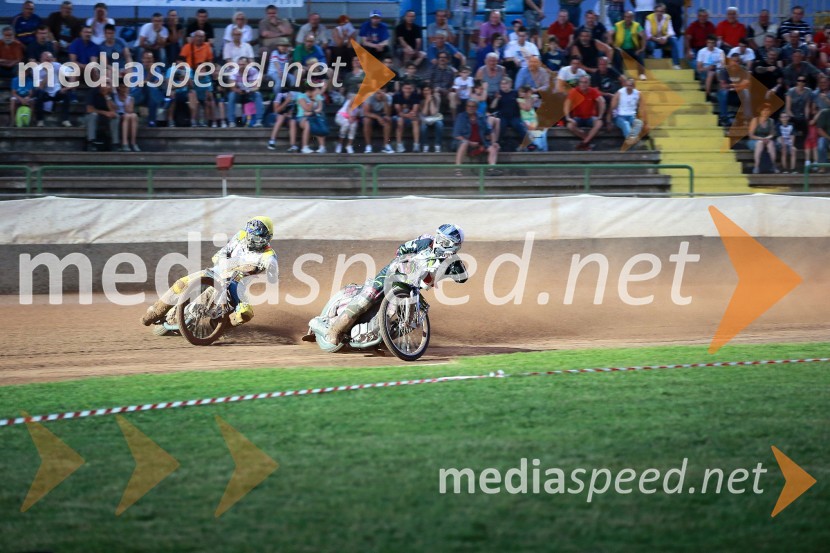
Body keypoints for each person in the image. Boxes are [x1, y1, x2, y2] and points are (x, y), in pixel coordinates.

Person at [322, 224, 467, 345]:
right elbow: (401, 250)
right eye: (441, 238)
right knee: (367, 298)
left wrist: (456, 267)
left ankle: (383, 339)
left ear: (455, 246)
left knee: (416, 316)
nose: (440, 243)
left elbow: (463, 278)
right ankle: (334, 331)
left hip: (411, 287)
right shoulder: (425, 242)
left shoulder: (452, 261)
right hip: (393, 272)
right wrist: (412, 262)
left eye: (446, 242)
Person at [141, 217, 277, 329]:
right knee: (181, 283)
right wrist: (221, 260)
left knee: (245, 313)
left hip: (235, 285)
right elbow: (224, 250)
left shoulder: (269, 256)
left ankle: (222, 326)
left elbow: (273, 276)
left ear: (266, 238)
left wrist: (266, 270)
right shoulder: (241, 235)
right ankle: (156, 311)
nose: (251, 239)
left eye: (256, 238)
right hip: (216, 272)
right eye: (250, 235)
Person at [453, 100, 500, 175]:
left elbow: (490, 131)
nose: (470, 108)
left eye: (473, 106)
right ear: (466, 107)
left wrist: (494, 142)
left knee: (494, 147)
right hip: (465, 144)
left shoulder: (481, 117)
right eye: (469, 106)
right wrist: (470, 142)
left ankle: (491, 169)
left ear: (476, 108)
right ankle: (458, 169)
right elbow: (456, 135)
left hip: (480, 143)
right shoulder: (461, 117)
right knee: (464, 143)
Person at [564, 75, 605, 150]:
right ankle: (587, 141)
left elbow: (602, 101)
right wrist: (568, 117)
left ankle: (584, 143)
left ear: (589, 83)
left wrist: (600, 115)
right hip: (578, 118)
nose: (583, 84)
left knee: (599, 123)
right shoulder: (574, 91)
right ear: (579, 83)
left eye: (585, 82)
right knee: (570, 125)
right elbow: (567, 104)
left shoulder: (593, 91)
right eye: (581, 82)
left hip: (590, 117)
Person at [33, 51, 72, 127]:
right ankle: (40, 120)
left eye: (49, 59)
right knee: (39, 93)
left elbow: (72, 73)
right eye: (46, 60)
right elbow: (40, 87)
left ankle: (65, 120)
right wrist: (48, 72)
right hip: (45, 93)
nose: (48, 62)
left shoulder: (57, 65)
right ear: (41, 60)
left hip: (56, 92)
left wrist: (67, 87)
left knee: (66, 94)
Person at [717, 53, 752, 126]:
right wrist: (736, 86)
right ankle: (723, 117)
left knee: (746, 92)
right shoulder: (724, 70)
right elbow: (723, 85)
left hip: (738, 94)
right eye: (734, 61)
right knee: (723, 92)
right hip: (728, 95)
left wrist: (734, 87)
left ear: (740, 62)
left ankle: (747, 118)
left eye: (737, 61)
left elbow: (746, 85)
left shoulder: (743, 70)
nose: (735, 63)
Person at [492, 76, 526, 150]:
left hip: (515, 116)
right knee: (500, 126)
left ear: (510, 84)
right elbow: (492, 107)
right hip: (502, 117)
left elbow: (523, 104)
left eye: (505, 83)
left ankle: (528, 144)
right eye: (502, 84)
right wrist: (497, 98)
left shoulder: (516, 93)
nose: (503, 85)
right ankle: (496, 145)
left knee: (519, 126)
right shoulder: (498, 93)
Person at [86, 80, 119, 151]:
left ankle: (115, 143)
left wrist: (106, 96)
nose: (106, 85)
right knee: (93, 115)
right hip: (95, 115)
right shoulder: (92, 92)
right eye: (104, 83)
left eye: (108, 83)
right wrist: (105, 113)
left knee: (116, 117)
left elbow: (113, 110)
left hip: (106, 117)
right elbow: (89, 109)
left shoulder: (110, 93)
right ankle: (91, 142)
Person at [612, 11, 646, 80]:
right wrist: (614, 45)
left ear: (633, 18)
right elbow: (609, 34)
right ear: (624, 17)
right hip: (621, 49)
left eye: (630, 17)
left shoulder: (636, 25)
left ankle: (641, 74)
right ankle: (620, 75)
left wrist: (642, 49)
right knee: (617, 54)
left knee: (640, 54)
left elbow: (643, 36)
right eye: (626, 17)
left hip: (633, 49)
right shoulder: (618, 25)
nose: (628, 19)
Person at [645, 3, 681, 69]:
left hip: (664, 40)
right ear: (655, 11)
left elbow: (671, 32)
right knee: (649, 44)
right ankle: (649, 54)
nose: (659, 13)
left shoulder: (667, 17)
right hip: (653, 40)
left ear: (664, 12)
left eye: (661, 11)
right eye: (658, 11)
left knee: (674, 40)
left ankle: (676, 64)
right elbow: (648, 34)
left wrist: (665, 38)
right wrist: (657, 39)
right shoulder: (649, 18)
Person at [612, 77, 645, 145]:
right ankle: (632, 142)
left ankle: (632, 140)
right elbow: (612, 106)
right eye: (628, 85)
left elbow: (641, 107)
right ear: (625, 84)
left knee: (639, 123)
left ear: (634, 86)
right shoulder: (620, 92)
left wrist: (642, 117)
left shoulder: (638, 94)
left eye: (631, 85)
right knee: (626, 124)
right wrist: (609, 118)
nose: (629, 86)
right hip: (620, 116)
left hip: (631, 116)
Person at [747, 104, 777, 174]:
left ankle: (773, 166)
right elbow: (751, 135)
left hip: (766, 140)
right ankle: (756, 167)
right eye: (763, 110)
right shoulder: (755, 120)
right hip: (754, 140)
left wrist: (767, 138)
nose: (765, 112)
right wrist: (761, 138)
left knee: (771, 143)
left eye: (767, 110)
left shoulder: (771, 121)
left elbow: (772, 134)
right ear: (760, 111)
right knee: (759, 143)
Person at [362, 88, 394, 153]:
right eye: (378, 93)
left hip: (382, 115)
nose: (380, 95)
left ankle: (386, 146)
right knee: (366, 121)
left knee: (388, 120)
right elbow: (366, 113)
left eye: (381, 93)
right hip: (371, 115)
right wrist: (377, 117)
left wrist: (385, 101)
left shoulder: (388, 97)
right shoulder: (369, 96)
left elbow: (387, 114)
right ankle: (368, 146)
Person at [394, 82, 422, 152]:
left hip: (410, 116)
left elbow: (415, 110)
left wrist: (410, 114)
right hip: (397, 116)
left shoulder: (415, 95)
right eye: (406, 88)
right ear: (402, 89)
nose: (408, 90)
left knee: (415, 121)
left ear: (412, 89)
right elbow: (398, 112)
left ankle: (416, 145)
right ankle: (399, 145)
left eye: (409, 88)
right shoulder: (397, 96)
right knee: (400, 121)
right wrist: (406, 115)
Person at [517, 85, 547, 151]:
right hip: (524, 119)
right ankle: (530, 145)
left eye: (522, 92)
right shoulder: (519, 100)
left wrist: (530, 95)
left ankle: (540, 147)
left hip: (533, 118)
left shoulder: (532, 97)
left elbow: (536, 97)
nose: (519, 93)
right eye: (519, 92)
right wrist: (528, 98)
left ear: (527, 92)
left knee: (541, 130)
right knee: (530, 129)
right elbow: (527, 108)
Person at [113, 83, 139, 151]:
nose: (124, 89)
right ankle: (125, 143)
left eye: (126, 87)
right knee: (127, 116)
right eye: (123, 87)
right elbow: (114, 108)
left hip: (127, 115)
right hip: (118, 115)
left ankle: (133, 143)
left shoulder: (130, 98)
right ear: (119, 88)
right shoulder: (114, 97)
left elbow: (129, 110)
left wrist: (125, 100)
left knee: (134, 116)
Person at [420, 84, 444, 152]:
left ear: (431, 91)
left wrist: (431, 101)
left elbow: (434, 113)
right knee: (423, 127)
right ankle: (425, 145)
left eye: (428, 90)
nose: (426, 92)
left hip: (434, 118)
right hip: (425, 119)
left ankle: (437, 145)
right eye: (425, 90)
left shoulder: (436, 98)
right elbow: (424, 113)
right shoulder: (421, 101)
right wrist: (427, 102)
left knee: (440, 124)